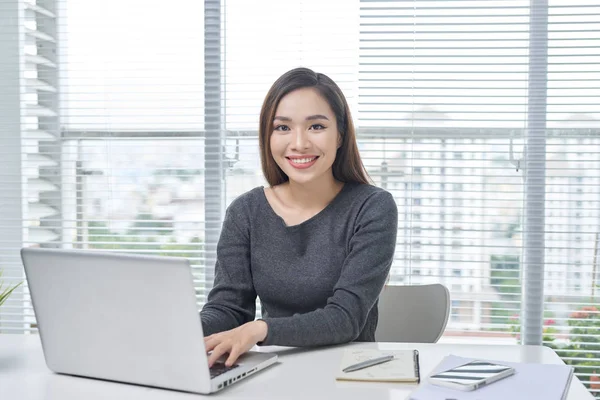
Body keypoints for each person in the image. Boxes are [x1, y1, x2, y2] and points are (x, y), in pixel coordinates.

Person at [200, 67, 398, 368]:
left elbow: (346, 319)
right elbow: (228, 309)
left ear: (340, 135)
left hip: (351, 375)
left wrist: (262, 329)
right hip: (273, 372)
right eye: (282, 128)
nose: (299, 143)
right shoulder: (245, 212)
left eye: (316, 126)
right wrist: (179, 330)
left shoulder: (372, 208)